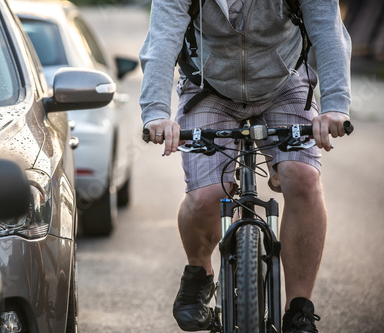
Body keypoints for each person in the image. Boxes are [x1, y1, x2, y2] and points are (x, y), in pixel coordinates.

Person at [139, 0, 351, 332]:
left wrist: (336, 104)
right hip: (208, 87)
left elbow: (327, 29)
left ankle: (299, 307)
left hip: (285, 82)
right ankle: (200, 271)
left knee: (303, 178)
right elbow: (163, 39)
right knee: (207, 197)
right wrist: (155, 112)